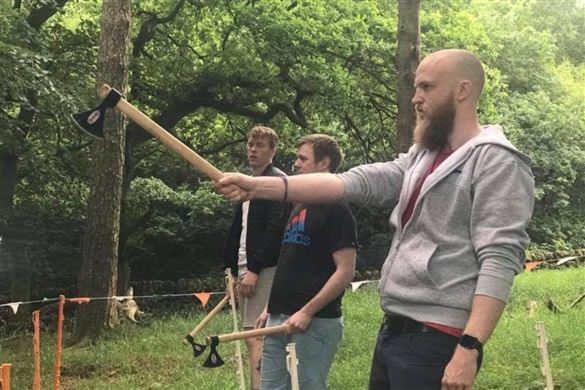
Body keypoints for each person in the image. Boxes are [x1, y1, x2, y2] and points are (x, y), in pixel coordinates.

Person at [216, 49, 535, 390]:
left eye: (426, 87)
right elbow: (351, 183)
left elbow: (499, 260)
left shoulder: (497, 161)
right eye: (415, 88)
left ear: (462, 90)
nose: (416, 98)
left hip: (438, 338)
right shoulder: (422, 156)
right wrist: (257, 186)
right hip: (394, 331)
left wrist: (469, 347)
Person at [256, 134, 358, 390]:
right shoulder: (297, 205)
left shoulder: (337, 209)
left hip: (314, 323)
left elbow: (345, 272)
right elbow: (290, 260)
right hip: (279, 318)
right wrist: (271, 306)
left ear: (323, 163)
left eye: (303, 158)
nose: (296, 164)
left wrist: (307, 311)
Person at [224, 125, 289, 390]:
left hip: (264, 267)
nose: (252, 149)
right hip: (245, 265)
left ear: (273, 150)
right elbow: (240, 231)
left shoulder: (275, 183)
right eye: (250, 144)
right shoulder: (248, 184)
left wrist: (254, 269)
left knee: (256, 334)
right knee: (253, 332)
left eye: (260, 145)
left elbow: (275, 231)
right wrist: (232, 270)